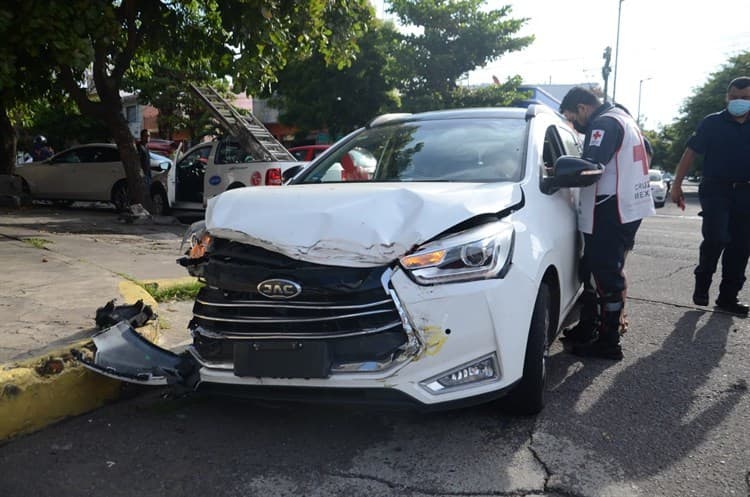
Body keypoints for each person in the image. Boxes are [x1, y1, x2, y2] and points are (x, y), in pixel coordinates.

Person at [558, 87, 656, 360]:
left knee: (605, 276)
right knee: (593, 270)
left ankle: (608, 342)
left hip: (610, 209)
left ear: (582, 108)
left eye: (572, 117)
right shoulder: (624, 118)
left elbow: (590, 167)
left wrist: (557, 174)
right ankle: (588, 327)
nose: (574, 125)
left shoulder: (604, 123)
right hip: (626, 207)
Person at [670, 76, 750, 316]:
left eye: (745, 98)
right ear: (727, 97)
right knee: (716, 237)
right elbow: (690, 153)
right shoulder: (711, 123)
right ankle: (703, 281)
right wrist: (677, 185)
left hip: (746, 192)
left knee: (741, 248)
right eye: (734, 97)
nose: (739, 102)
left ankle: (728, 297)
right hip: (716, 189)